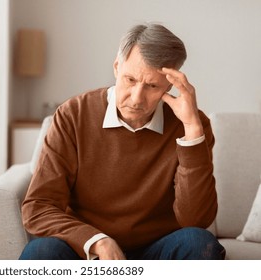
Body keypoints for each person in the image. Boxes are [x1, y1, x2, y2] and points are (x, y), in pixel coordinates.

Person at [19, 23, 226, 260]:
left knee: (199, 243)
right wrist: (97, 241)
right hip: (89, 249)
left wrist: (192, 132)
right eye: (130, 80)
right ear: (117, 67)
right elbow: (39, 206)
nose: (137, 98)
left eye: (152, 86)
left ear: (170, 86)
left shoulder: (191, 125)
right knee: (41, 251)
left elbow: (196, 220)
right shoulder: (73, 114)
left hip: (157, 250)